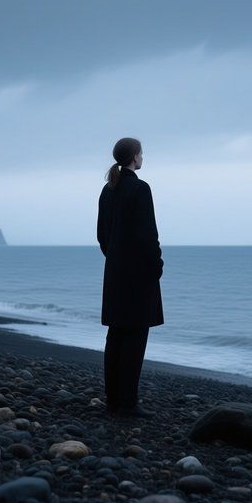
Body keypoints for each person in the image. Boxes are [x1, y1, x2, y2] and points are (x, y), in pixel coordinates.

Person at [97, 137, 164, 417]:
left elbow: (102, 235)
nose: (142, 157)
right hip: (138, 274)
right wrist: (156, 265)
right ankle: (129, 403)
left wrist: (115, 259)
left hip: (115, 273)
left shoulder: (107, 189)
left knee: (116, 337)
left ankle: (113, 400)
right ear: (135, 157)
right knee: (135, 338)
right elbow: (148, 234)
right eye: (141, 153)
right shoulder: (140, 188)